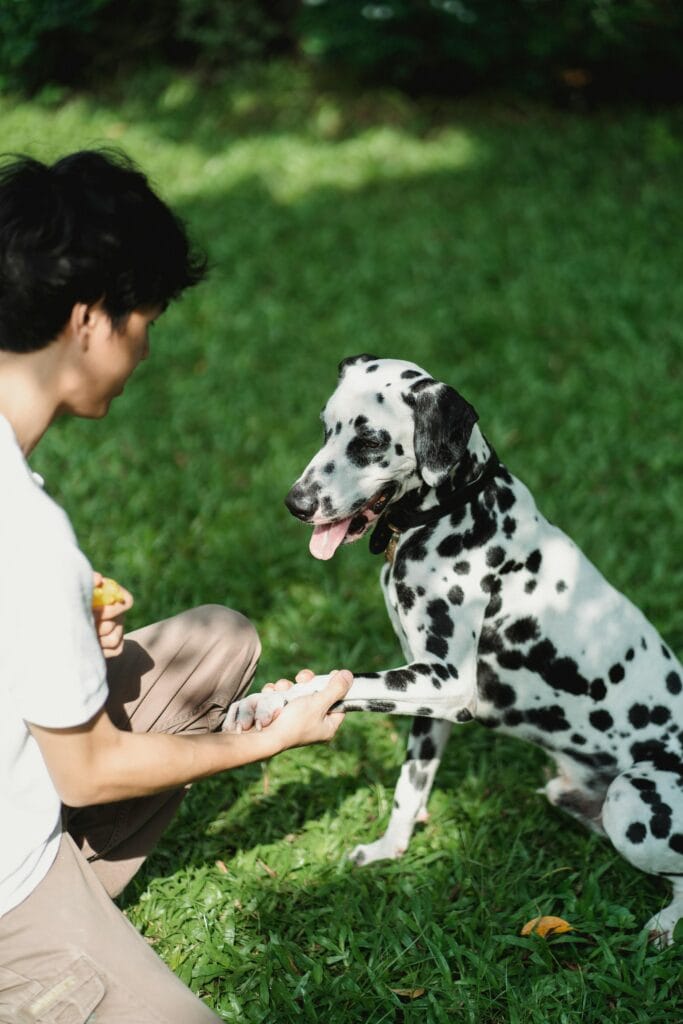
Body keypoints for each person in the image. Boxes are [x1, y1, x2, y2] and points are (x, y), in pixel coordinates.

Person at [0, 149, 352, 1024]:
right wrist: (270, 743)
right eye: (143, 320)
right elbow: (89, 773)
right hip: (10, 885)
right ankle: (54, 941)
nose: (146, 348)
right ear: (88, 321)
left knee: (217, 641)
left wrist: (71, 633)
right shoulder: (26, 530)